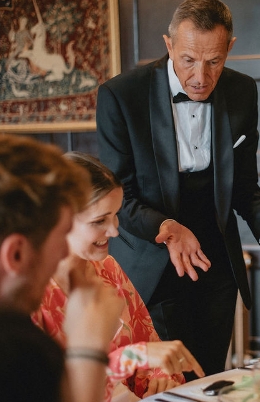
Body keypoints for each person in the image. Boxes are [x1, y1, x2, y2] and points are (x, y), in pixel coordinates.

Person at [95, 0, 260, 377]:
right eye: (188, 59)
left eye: (214, 61)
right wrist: (168, 229)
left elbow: (244, 187)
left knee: (208, 378)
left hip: (215, 271)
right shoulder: (122, 96)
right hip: (151, 265)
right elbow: (119, 195)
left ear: (230, 48)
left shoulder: (242, 91)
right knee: (162, 384)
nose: (200, 77)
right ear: (169, 44)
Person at [0, 133, 124, 402]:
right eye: (61, 237)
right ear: (15, 254)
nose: (63, 253)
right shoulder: (4, 350)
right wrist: (87, 350)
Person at [33, 151, 205, 401]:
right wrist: (130, 358)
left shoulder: (109, 270)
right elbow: (48, 389)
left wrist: (159, 375)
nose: (114, 231)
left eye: (115, 215)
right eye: (100, 220)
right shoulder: (29, 295)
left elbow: (149, 349)